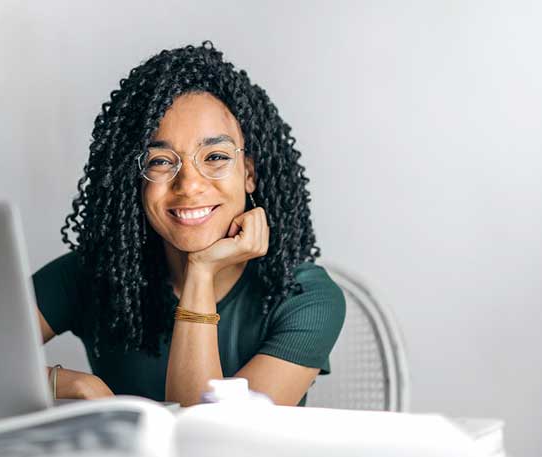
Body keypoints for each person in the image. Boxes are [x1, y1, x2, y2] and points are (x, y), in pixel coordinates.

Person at [32, 41, 345, 407]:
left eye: (215, 156)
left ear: (249, 173)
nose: (190, 185)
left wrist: (201, 271)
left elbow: (210, 440)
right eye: (161, 161)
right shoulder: (93, 274)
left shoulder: (305, 298)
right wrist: (73, 385)